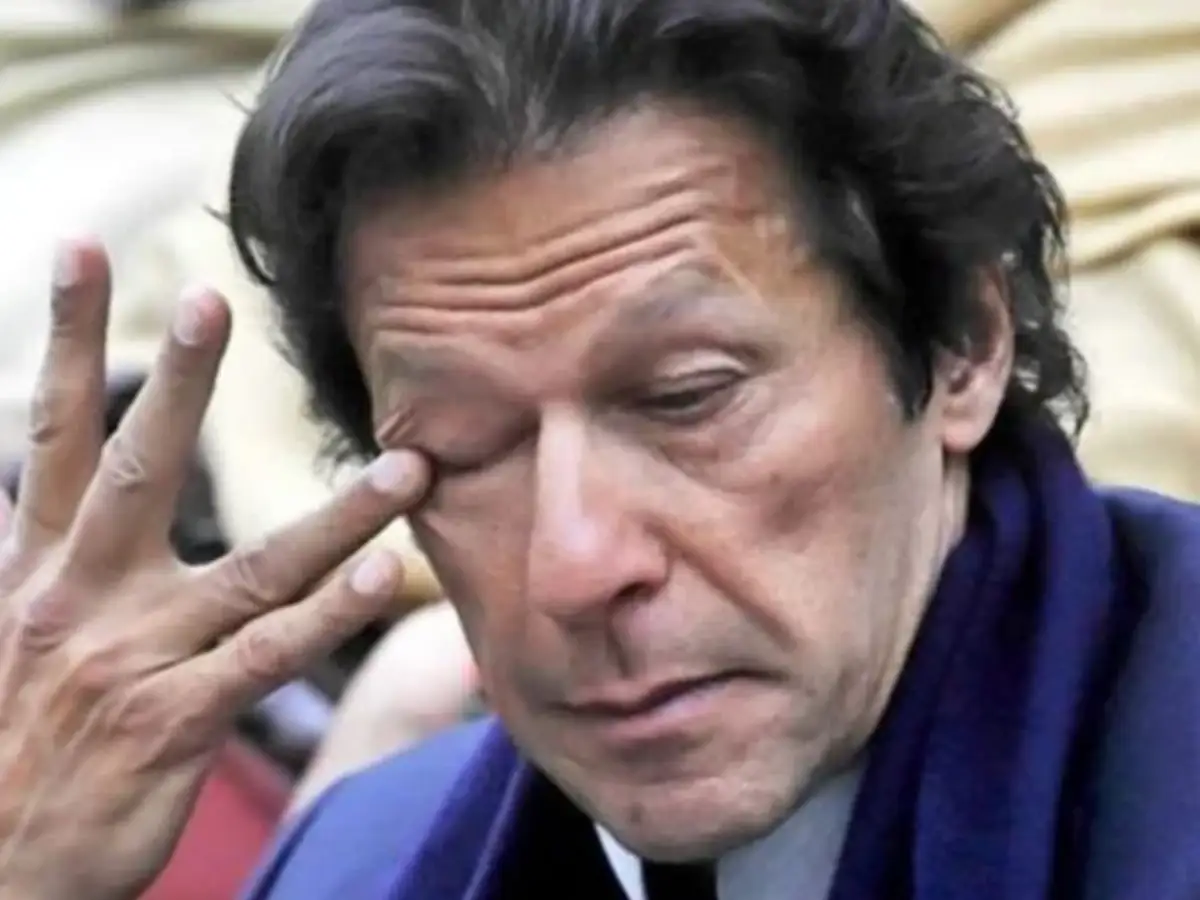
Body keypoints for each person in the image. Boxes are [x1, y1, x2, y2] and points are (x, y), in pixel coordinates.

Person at [0, 2, 1197, 900]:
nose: (574, 566)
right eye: (463, 450)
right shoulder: (362, 861)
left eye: (686, 399)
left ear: (961, 344)